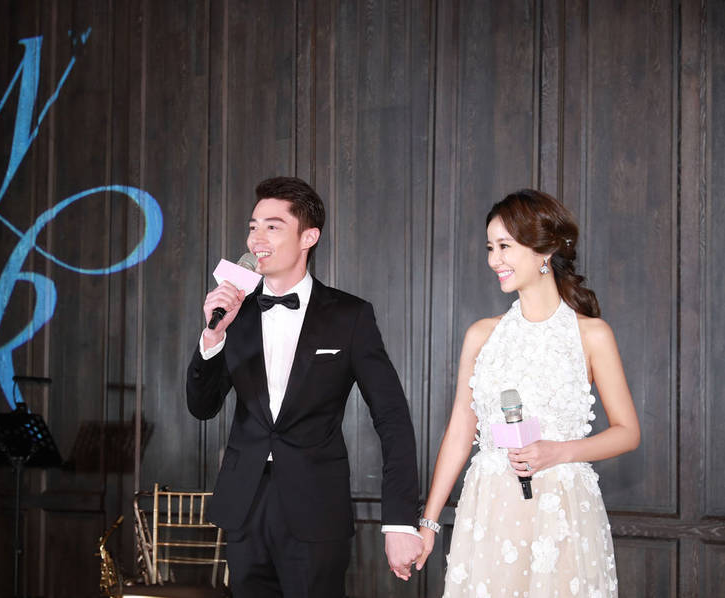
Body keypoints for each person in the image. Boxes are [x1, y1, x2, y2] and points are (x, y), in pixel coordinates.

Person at [186, 176, 423, 597]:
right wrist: (212, 337)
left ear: (308, 237)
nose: (256, 238)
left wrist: (400, 520)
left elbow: (393, 419)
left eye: (272, 226)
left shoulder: (350, 315)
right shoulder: (236, 312)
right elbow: (202, 407)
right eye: (253, 227)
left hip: (316, 507)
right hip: (244, 505)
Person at [415, 189, 641, 597]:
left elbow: (628, 432)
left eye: (505, 246)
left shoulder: (591, 335)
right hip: (489, 512)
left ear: (545, 250)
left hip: (561, 513)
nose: (493, 260)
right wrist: (429, 523)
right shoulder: (481, 335)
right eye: (490, 248)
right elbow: (460, 432)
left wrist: (559, 451)